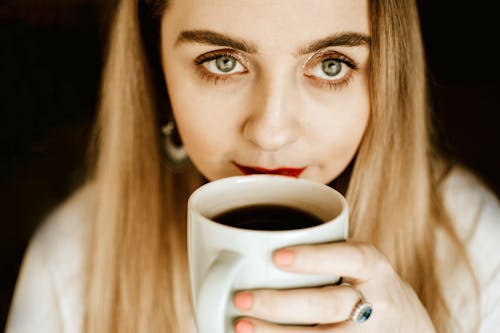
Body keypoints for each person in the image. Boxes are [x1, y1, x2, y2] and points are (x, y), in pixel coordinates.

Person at [5, 0, 500, 332]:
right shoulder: (71, 260)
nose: (271, 130)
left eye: (331, 63)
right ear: (156, 72)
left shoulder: (479, 248)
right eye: (222, 61)